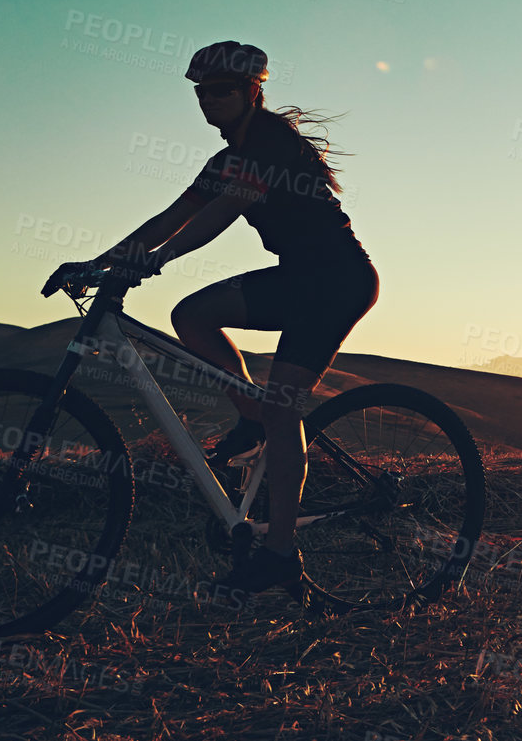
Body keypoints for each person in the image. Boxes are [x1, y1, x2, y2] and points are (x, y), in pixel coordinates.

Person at [48, 40, 377, 595]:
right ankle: (249, 416)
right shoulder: (223, 160)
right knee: (193, 315)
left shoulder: (274, 141)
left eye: (222, 90)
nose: (208, 100)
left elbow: (226, 209)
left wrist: (159, 261)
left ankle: (279, 555)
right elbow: (170, 217)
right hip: (296, 277)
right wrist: (100, 261)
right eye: (201, 91)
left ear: (253, 92)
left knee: (283, 408)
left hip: (337, 282)